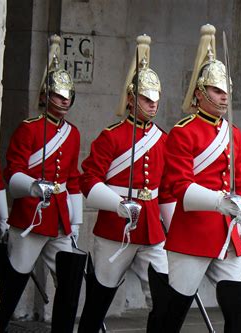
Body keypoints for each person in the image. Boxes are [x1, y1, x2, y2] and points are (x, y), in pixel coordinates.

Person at [147, 24, 241, 333]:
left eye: (226, 90)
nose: (224, 96)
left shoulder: (234, 134)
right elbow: (180, 187)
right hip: (192, 235)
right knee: (172, 313)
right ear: (200, 94)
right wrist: (219, 202)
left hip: (227, 237)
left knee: (239, 309)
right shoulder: (183, 131)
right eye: (216, 90)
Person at [78, 35, 176, 333]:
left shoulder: (163, 138)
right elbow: (89, 180)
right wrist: (118, 205)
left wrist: (173, 228)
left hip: (151, 228)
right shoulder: (112, 136)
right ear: (132, 99)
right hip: (114, 228)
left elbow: (167, 189)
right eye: (147, 99)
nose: (153, 105)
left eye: (156, 99)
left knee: (163, 297)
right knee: (99, 298)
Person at [0, 35, 86, 333]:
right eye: (59, 96)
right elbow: (14, 172)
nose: (64, 101)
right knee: (16, 277)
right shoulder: (29, 129)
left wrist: (75, 220)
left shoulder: (72, 133)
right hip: (32, 216)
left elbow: (72, 178)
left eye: (67, 96)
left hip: (59, 216)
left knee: (70, 278)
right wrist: (34, 187)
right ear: (46, 96)